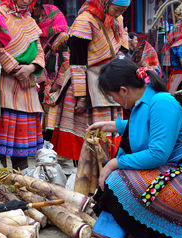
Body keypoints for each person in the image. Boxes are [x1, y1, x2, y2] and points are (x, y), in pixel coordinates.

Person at [89, 58, 182, 238]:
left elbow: (157, 154)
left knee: (118, 182)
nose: (114, 100)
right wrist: (110, 125)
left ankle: (149, 225)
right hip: (176, 170)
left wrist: (114, 163)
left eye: (112, 96)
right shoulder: (145, 102)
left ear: (123, 91)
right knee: (117, 182)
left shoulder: (161, 102)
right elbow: (141, 126)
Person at [51, 0, 130, 161]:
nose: (119, 14)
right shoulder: (84, 21)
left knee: (110, 139)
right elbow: (77, 62)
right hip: (85, 82)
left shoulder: (117, 20)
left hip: (108, 80)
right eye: (117, 9)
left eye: (123, 11)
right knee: (84, 141)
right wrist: (81, 96)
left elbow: (121, 48)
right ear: (105, 3)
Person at [0, 0, 46, 170]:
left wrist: (30, 68)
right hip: (3, 84)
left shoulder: (30, 20)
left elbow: (39, 50)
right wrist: (16, 69)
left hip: (26, 89)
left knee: (22, 150)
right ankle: (0, 186)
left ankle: (22, 185)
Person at [34, 3, 70, 141]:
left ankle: (52, 145)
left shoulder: (63, 37)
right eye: (40, 16)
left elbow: (67, 62)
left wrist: (57, 83)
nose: (41, 20)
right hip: (47, 81)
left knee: (53, 114)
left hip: (56, 83)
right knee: (46, 113)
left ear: (53, 18)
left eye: (44, 16)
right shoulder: (43, 36)